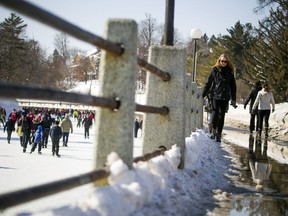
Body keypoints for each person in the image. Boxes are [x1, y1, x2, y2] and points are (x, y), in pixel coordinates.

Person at [202, 54, 237, 142]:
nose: (223, 63)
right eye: (222, 61)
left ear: (227, 62)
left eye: (225, 61)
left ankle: (219, 134)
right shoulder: (214, 70)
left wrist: (233, 98)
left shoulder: (230, 71)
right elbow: (209, 83)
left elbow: (233, 86)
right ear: (219, 61)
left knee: (222, 116)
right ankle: (213, 131)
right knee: (215, 113)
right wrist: (203, 93)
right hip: (215, 95)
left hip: (225, 96)